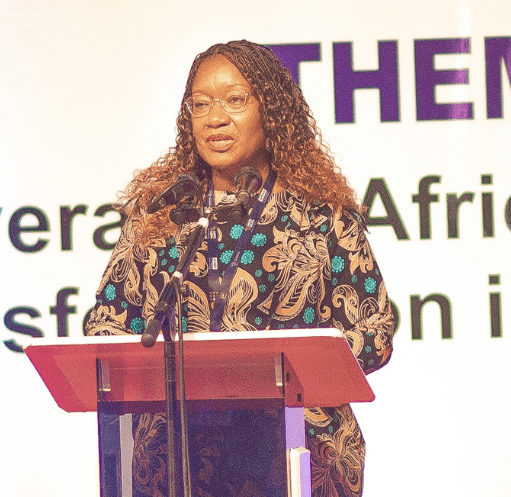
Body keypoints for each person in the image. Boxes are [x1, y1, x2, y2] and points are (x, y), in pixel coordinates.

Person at [84, 40, 395, 497]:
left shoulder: (321, 216)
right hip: (177, 462)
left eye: (235, 100)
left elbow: (374, 329)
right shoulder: (159, 218)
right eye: (201, 104)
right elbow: (104, 327)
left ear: (269, 110)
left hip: (298, 454)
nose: (215, 118)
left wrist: (292, 368)